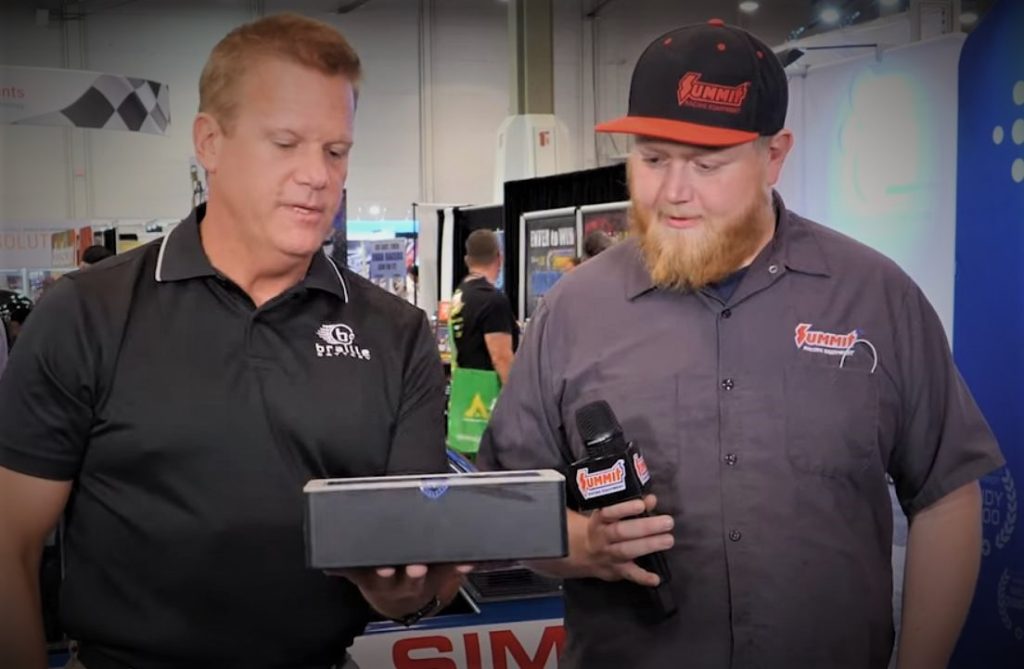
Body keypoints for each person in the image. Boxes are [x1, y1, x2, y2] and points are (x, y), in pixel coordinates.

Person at [478, 19, 1003, 669]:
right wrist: (583, 542)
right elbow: (503, 500)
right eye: (652, 158)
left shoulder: (876, 298)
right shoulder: (574, 310)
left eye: (707, 163)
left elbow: (946, 492)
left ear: (774, 154)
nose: (673, 191)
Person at [0, 14, 464, 669]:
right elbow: (8, 542)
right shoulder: (86, 313)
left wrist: (408, 591)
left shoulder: (397, 333)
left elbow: (420, 576)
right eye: (285, 143)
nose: (318, 175)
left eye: (336, 150)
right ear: (209, 141)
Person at [446, 230, 517, 456]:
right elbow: (501, 357)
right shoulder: (492, 300)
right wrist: (522, 399)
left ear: (467, 260)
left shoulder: (460, 295)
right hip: (487, 405)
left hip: (462, 401)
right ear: (500, 257)